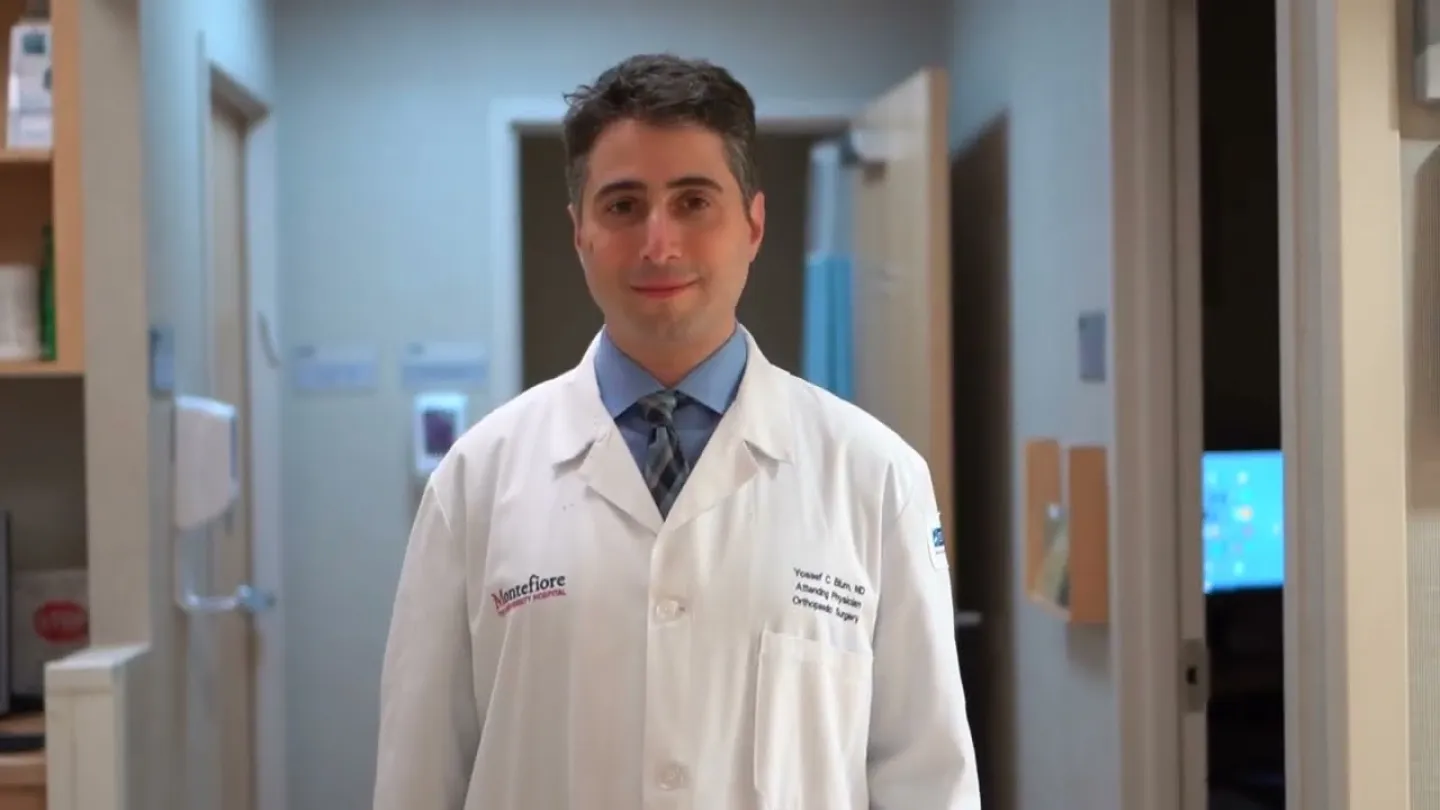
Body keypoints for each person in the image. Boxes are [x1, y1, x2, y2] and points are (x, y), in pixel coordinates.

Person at [374, 53, 980, 810]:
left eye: (694, 202)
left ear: (753, 224)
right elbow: (419, 776)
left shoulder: (876, 476)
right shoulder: (475, 482)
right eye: (623, 205)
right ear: (579, 231)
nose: (659, 244)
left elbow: (928, 779)